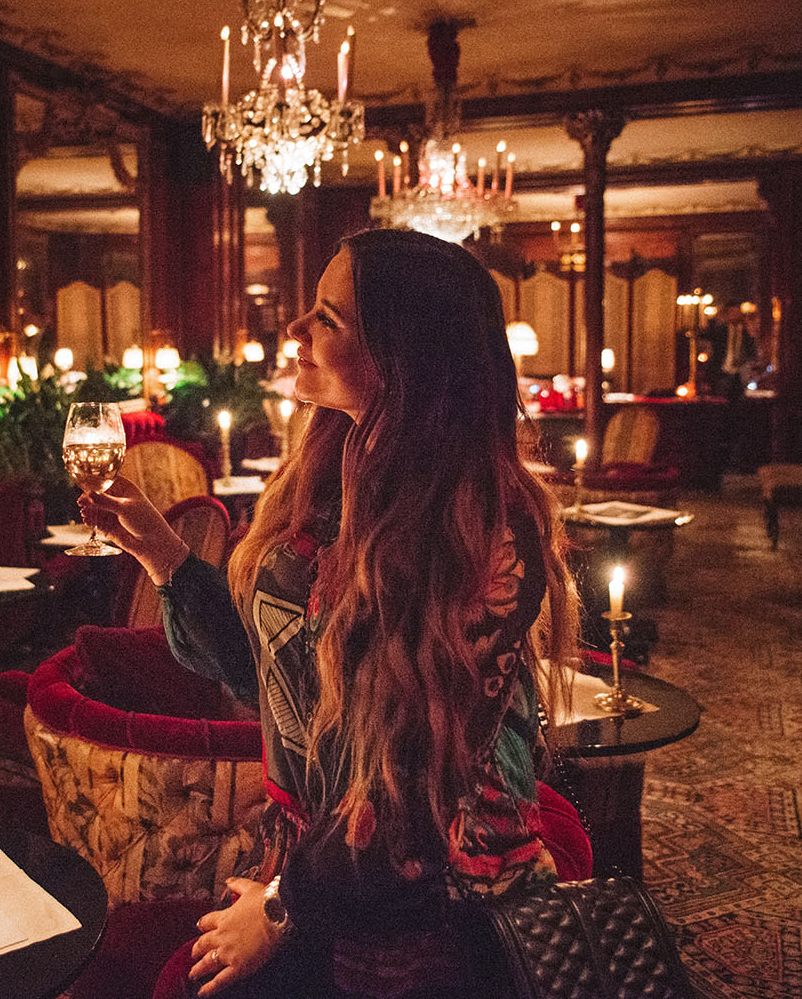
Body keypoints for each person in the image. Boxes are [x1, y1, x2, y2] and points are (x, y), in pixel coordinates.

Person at [80, 229, 580, 999]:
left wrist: (282, 911)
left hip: (426, 900)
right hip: (315, 859)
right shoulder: (330, 476)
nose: (293, 330)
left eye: (327, 318)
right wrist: (166, 558)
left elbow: (415, 796)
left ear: (402, 358)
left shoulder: (487, 535)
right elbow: (271, 675)